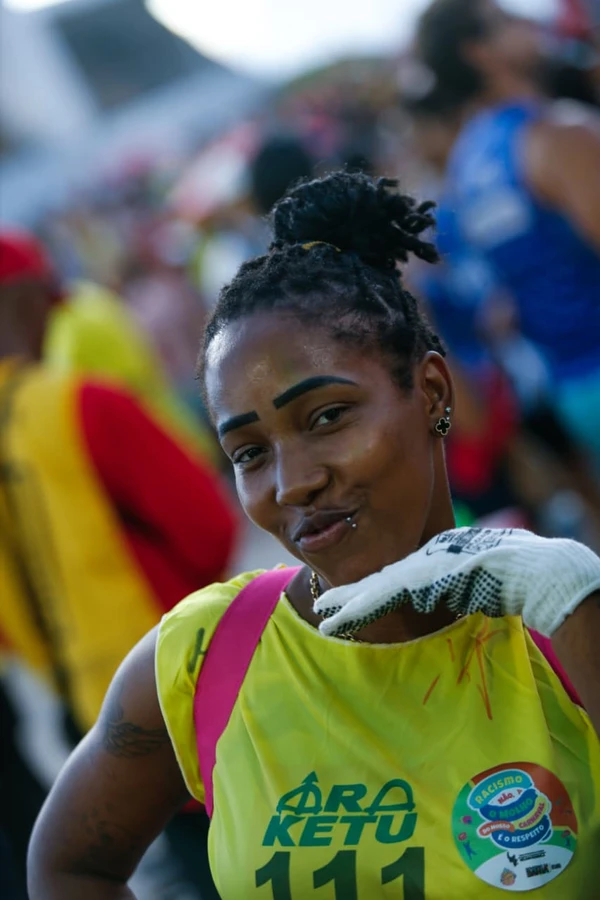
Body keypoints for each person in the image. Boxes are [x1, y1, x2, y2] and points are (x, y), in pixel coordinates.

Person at [28, 173, 600, 899]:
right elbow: (69, 864)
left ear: (431, 391)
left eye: (328, 417)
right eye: (248, 453)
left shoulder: (559, 619)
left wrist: (574, 599)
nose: (292, 482)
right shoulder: (207, 655)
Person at [416, 0, 600, 470]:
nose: (529, 22)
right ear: (478, 52)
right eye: (506, 20)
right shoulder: (557, 133)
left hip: (572, 388)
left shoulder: (466, 163)